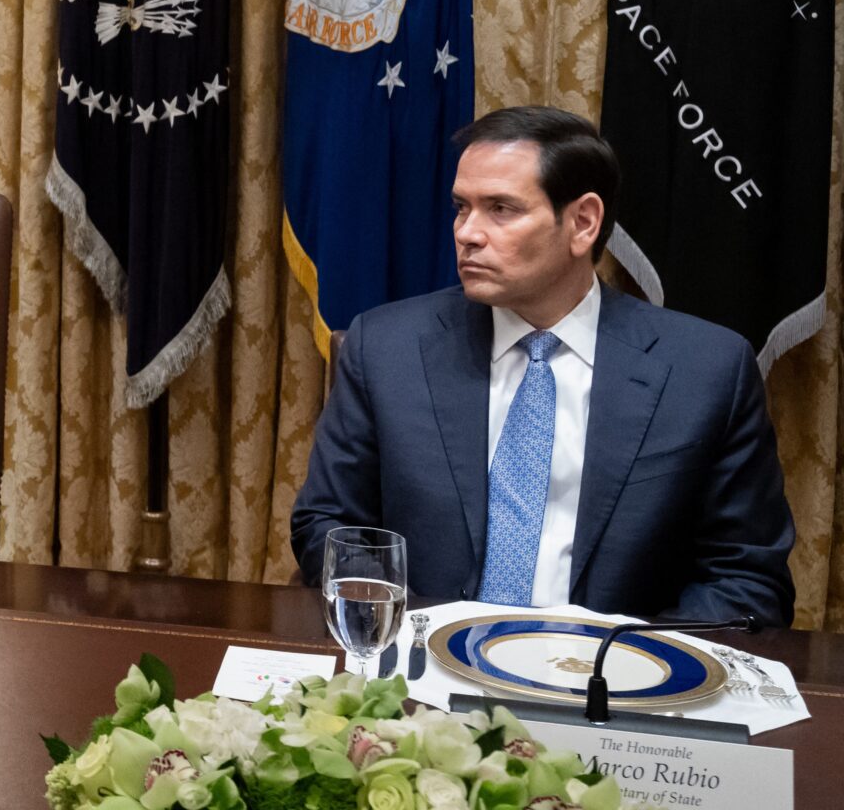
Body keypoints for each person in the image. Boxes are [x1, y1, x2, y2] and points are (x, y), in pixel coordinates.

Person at [293, 105, 793, 624]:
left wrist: (627, 659)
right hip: (422, 658)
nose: (467, 233)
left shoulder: (706, 371)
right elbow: (327, 525)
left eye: (501, 209)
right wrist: (409, 630)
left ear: (583, 223)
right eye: (462, 208)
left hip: (613, 667)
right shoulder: (386, 348)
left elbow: (746, 579)